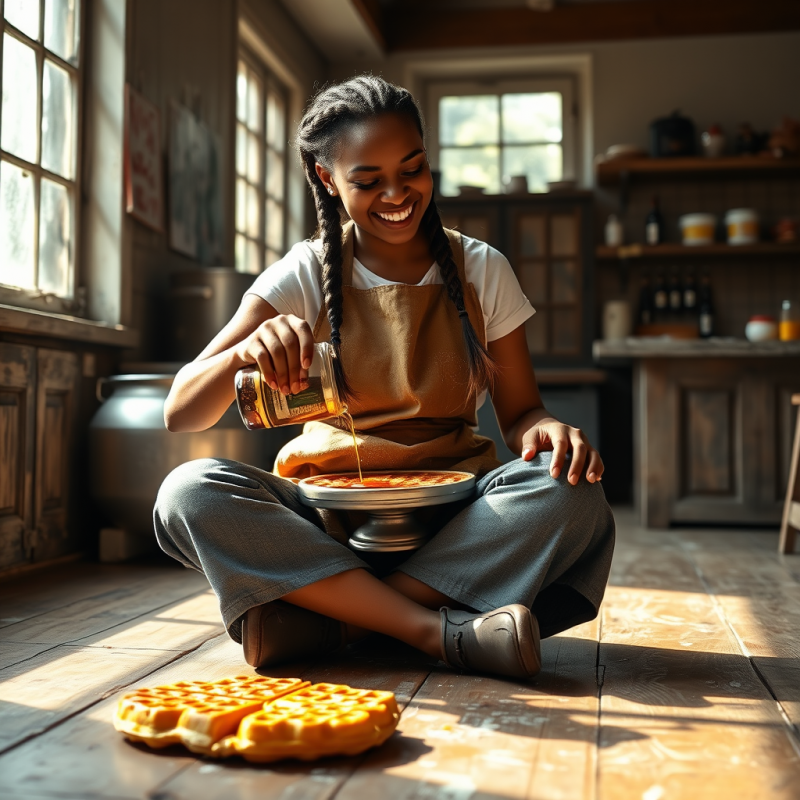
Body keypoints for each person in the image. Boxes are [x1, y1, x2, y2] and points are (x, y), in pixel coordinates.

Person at [154, 75, 614, 681]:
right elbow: (180, 412)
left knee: (570, 490)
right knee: (187, 493)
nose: (397, 194)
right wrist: (243, 353)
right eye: (367, 181)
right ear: (327, 179)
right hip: (323, 524)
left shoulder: (482, 269)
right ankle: (429, 627)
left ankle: (334, 620)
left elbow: (521, 414)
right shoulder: (304, 270)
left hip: (453, 522)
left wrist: (549, 429)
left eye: (413, 169)